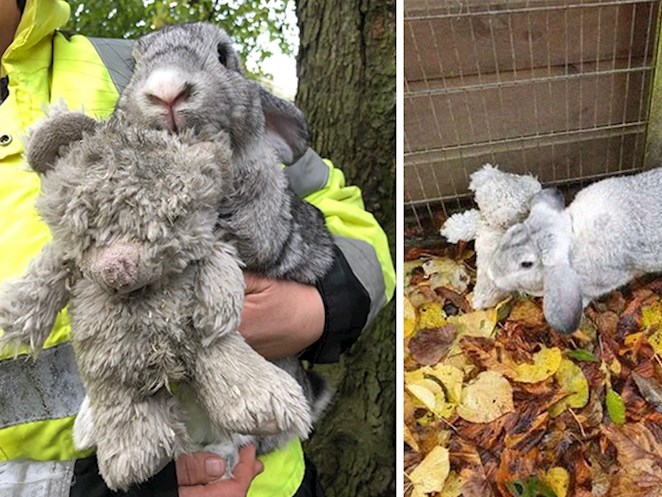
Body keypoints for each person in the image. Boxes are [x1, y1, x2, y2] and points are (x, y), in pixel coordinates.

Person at [0, 0, 395, 496]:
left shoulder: (124, 67)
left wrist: (316, 309)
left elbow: (350, 224)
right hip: (116, 453)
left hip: (239, 474)